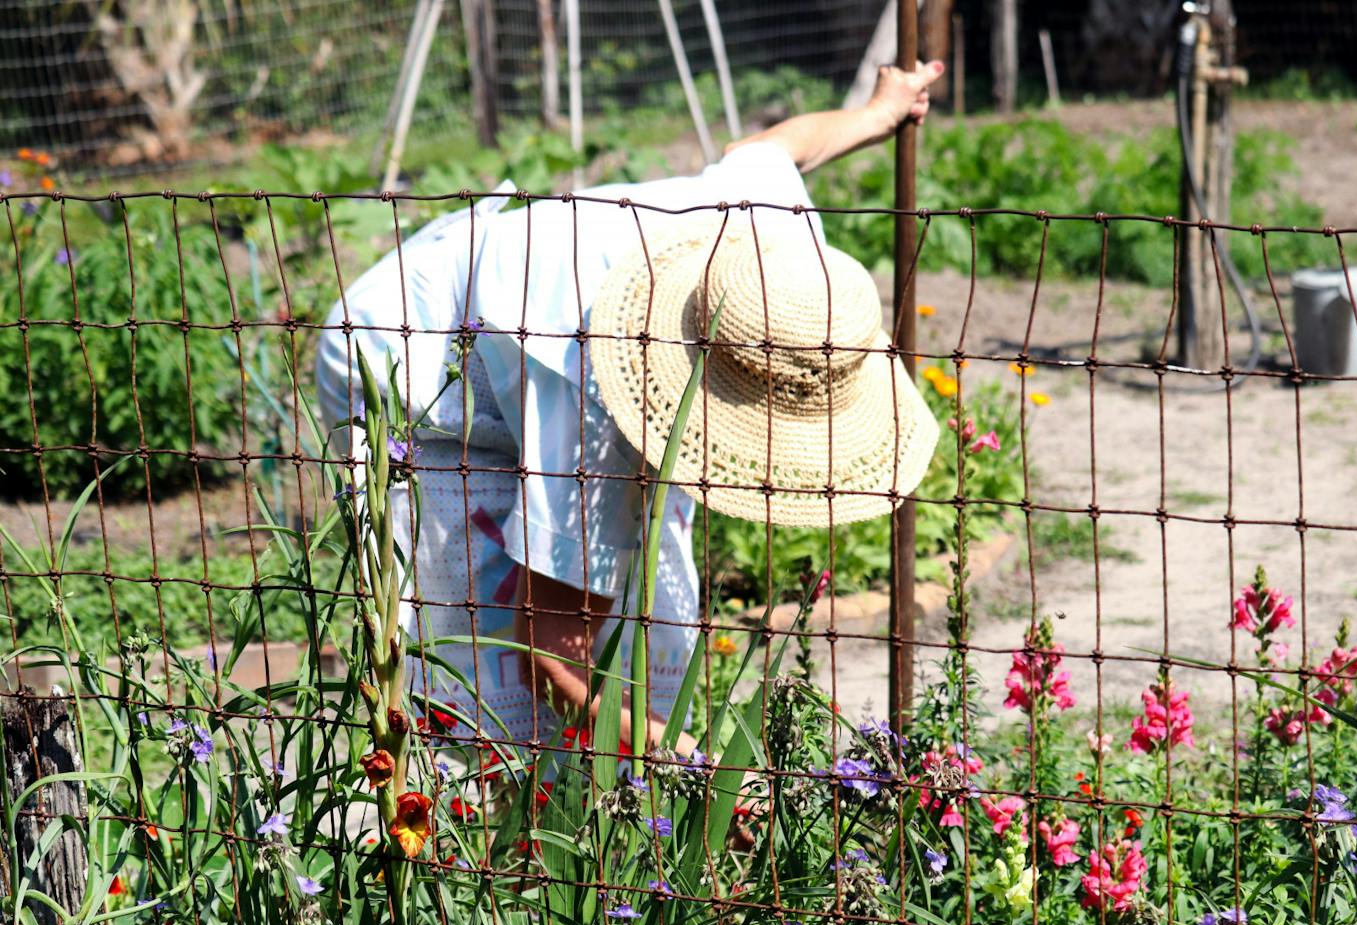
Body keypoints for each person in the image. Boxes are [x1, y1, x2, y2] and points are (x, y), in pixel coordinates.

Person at [316, 61, 946, 761]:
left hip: (530, 328)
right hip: (415, 376)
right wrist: (687, 769)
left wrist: (878, 111)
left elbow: (772, 151)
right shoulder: (584, 391)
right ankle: (498, 839)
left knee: (646, 617)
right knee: (486, 682)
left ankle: (610, 801)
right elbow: (544, 652)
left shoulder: (769, 248)